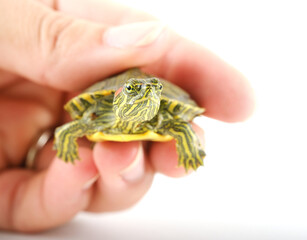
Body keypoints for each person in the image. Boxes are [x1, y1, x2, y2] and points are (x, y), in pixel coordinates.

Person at [0, 0, 255, 232]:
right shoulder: (99, 113)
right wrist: (65, 142)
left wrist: (190, 150)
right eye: (134, 90)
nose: (145, 92)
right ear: (121, 95)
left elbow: (184, 128)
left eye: (152, 90)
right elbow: (67, 129)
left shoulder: (163, 118)